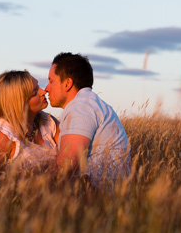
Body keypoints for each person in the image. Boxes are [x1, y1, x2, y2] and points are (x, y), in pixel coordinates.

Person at [44, 52, 130, 185]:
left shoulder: (81, 108)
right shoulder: (90, 103)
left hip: (102, 198)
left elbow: (67, 163)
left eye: (51, 81)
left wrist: (34, 185)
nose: (46, 88)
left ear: (67, 84)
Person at [0, 70, 59, 175]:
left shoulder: (48, 121)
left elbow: (72, 155)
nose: (43, 92)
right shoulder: (1, 136)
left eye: (39, 86)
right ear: (19, 102)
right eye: (35, 92)